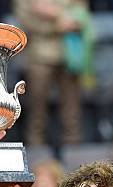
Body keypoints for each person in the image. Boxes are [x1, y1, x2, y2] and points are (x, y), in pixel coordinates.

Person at [14, 0, 88, 146]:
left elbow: (81, 14)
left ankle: (73, 151)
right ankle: (36, 151)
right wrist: (58, 23)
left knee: (72, 112)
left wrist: (54, 14)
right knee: (36, 110)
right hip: (39, 55)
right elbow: (24, 18)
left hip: (69, 53)